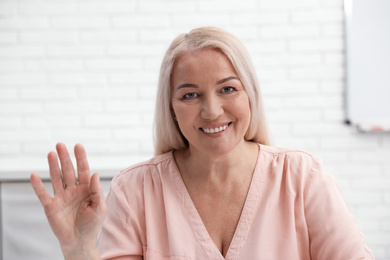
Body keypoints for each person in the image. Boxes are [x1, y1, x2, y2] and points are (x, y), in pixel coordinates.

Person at [30, 27, 374, 260]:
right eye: (190, 94)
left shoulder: (301, 177)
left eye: (227, 89)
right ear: (172, 109)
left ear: (250, 95)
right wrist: (79, 248)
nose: (211, 111)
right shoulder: (135, 189)